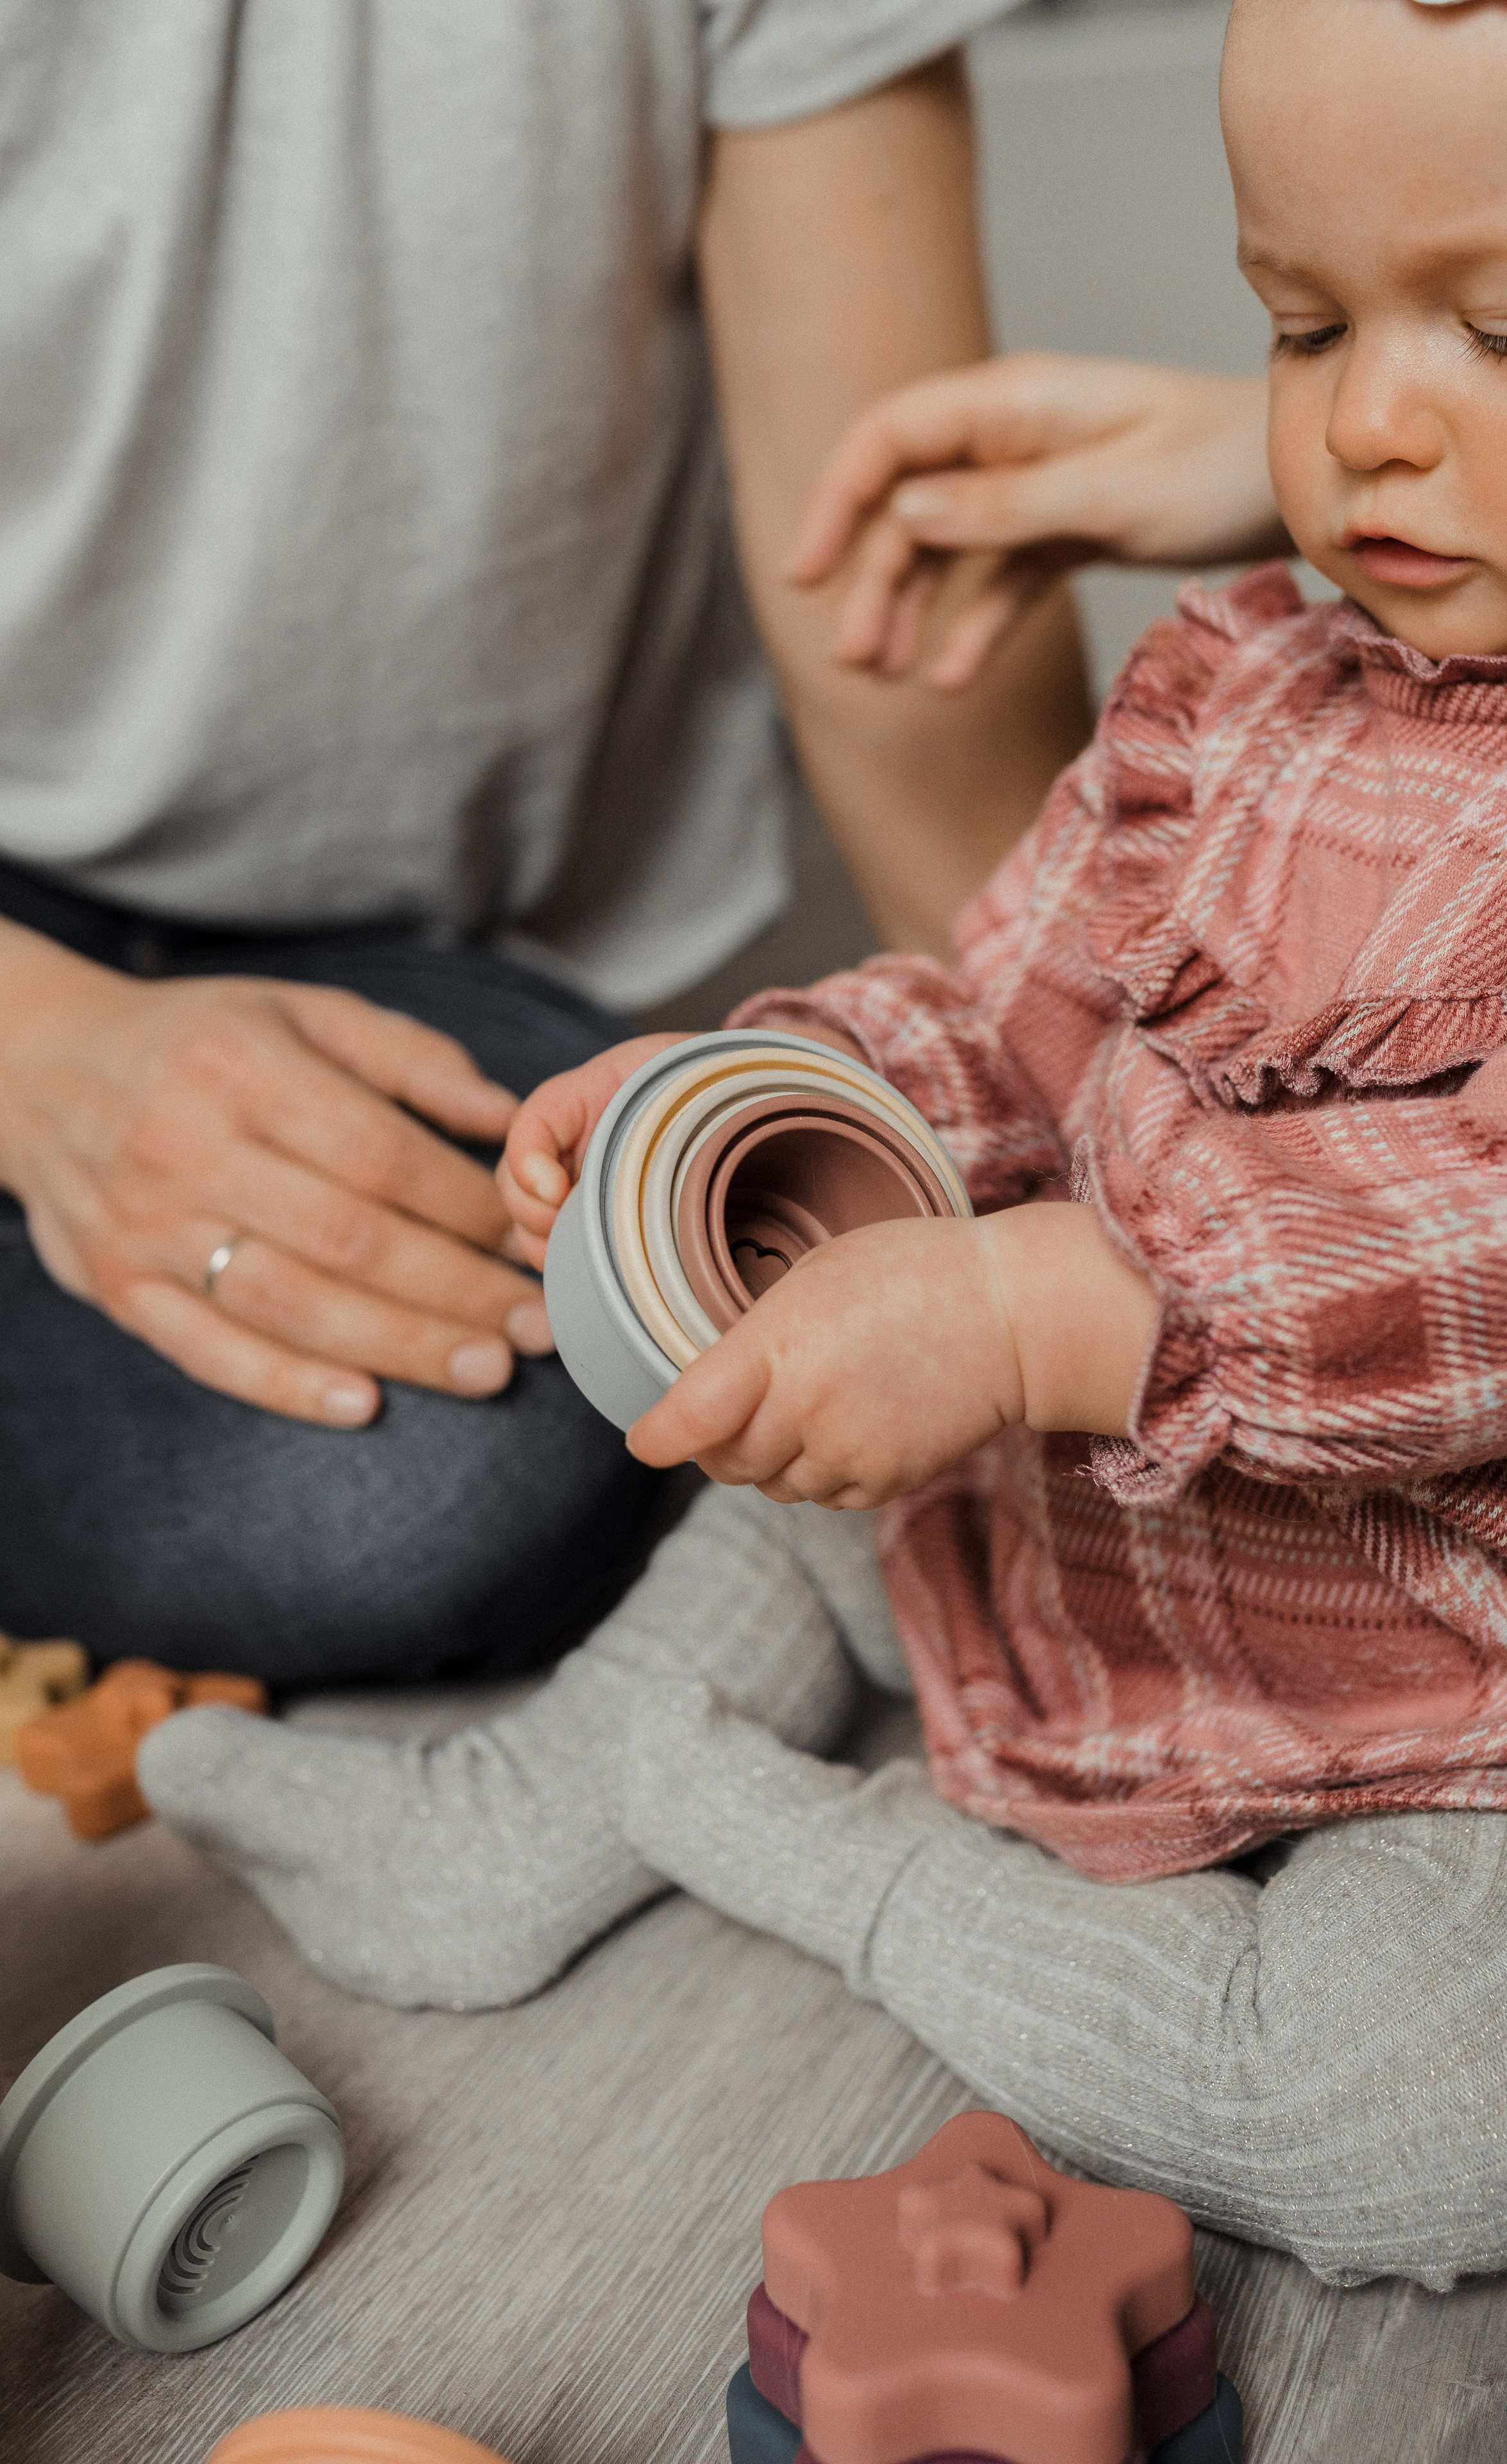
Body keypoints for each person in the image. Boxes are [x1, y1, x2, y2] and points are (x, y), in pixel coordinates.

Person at [139, 0, 1507, 2291]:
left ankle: (762, 1831)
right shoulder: (1245, 688)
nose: (1364, 424)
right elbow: (1011, 1015)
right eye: (1301, 322)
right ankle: (531, 1793)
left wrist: (1038, 1311)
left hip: (1499, 1691)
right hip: (1112, 1542)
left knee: (1448, 2123)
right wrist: (759, 1114)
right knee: (815, 1449)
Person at [0, 9, 1114, 1688]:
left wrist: (1097, 1168)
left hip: (399, 950)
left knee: (507, 1421)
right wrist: (44, 1055)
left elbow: (891, 586)